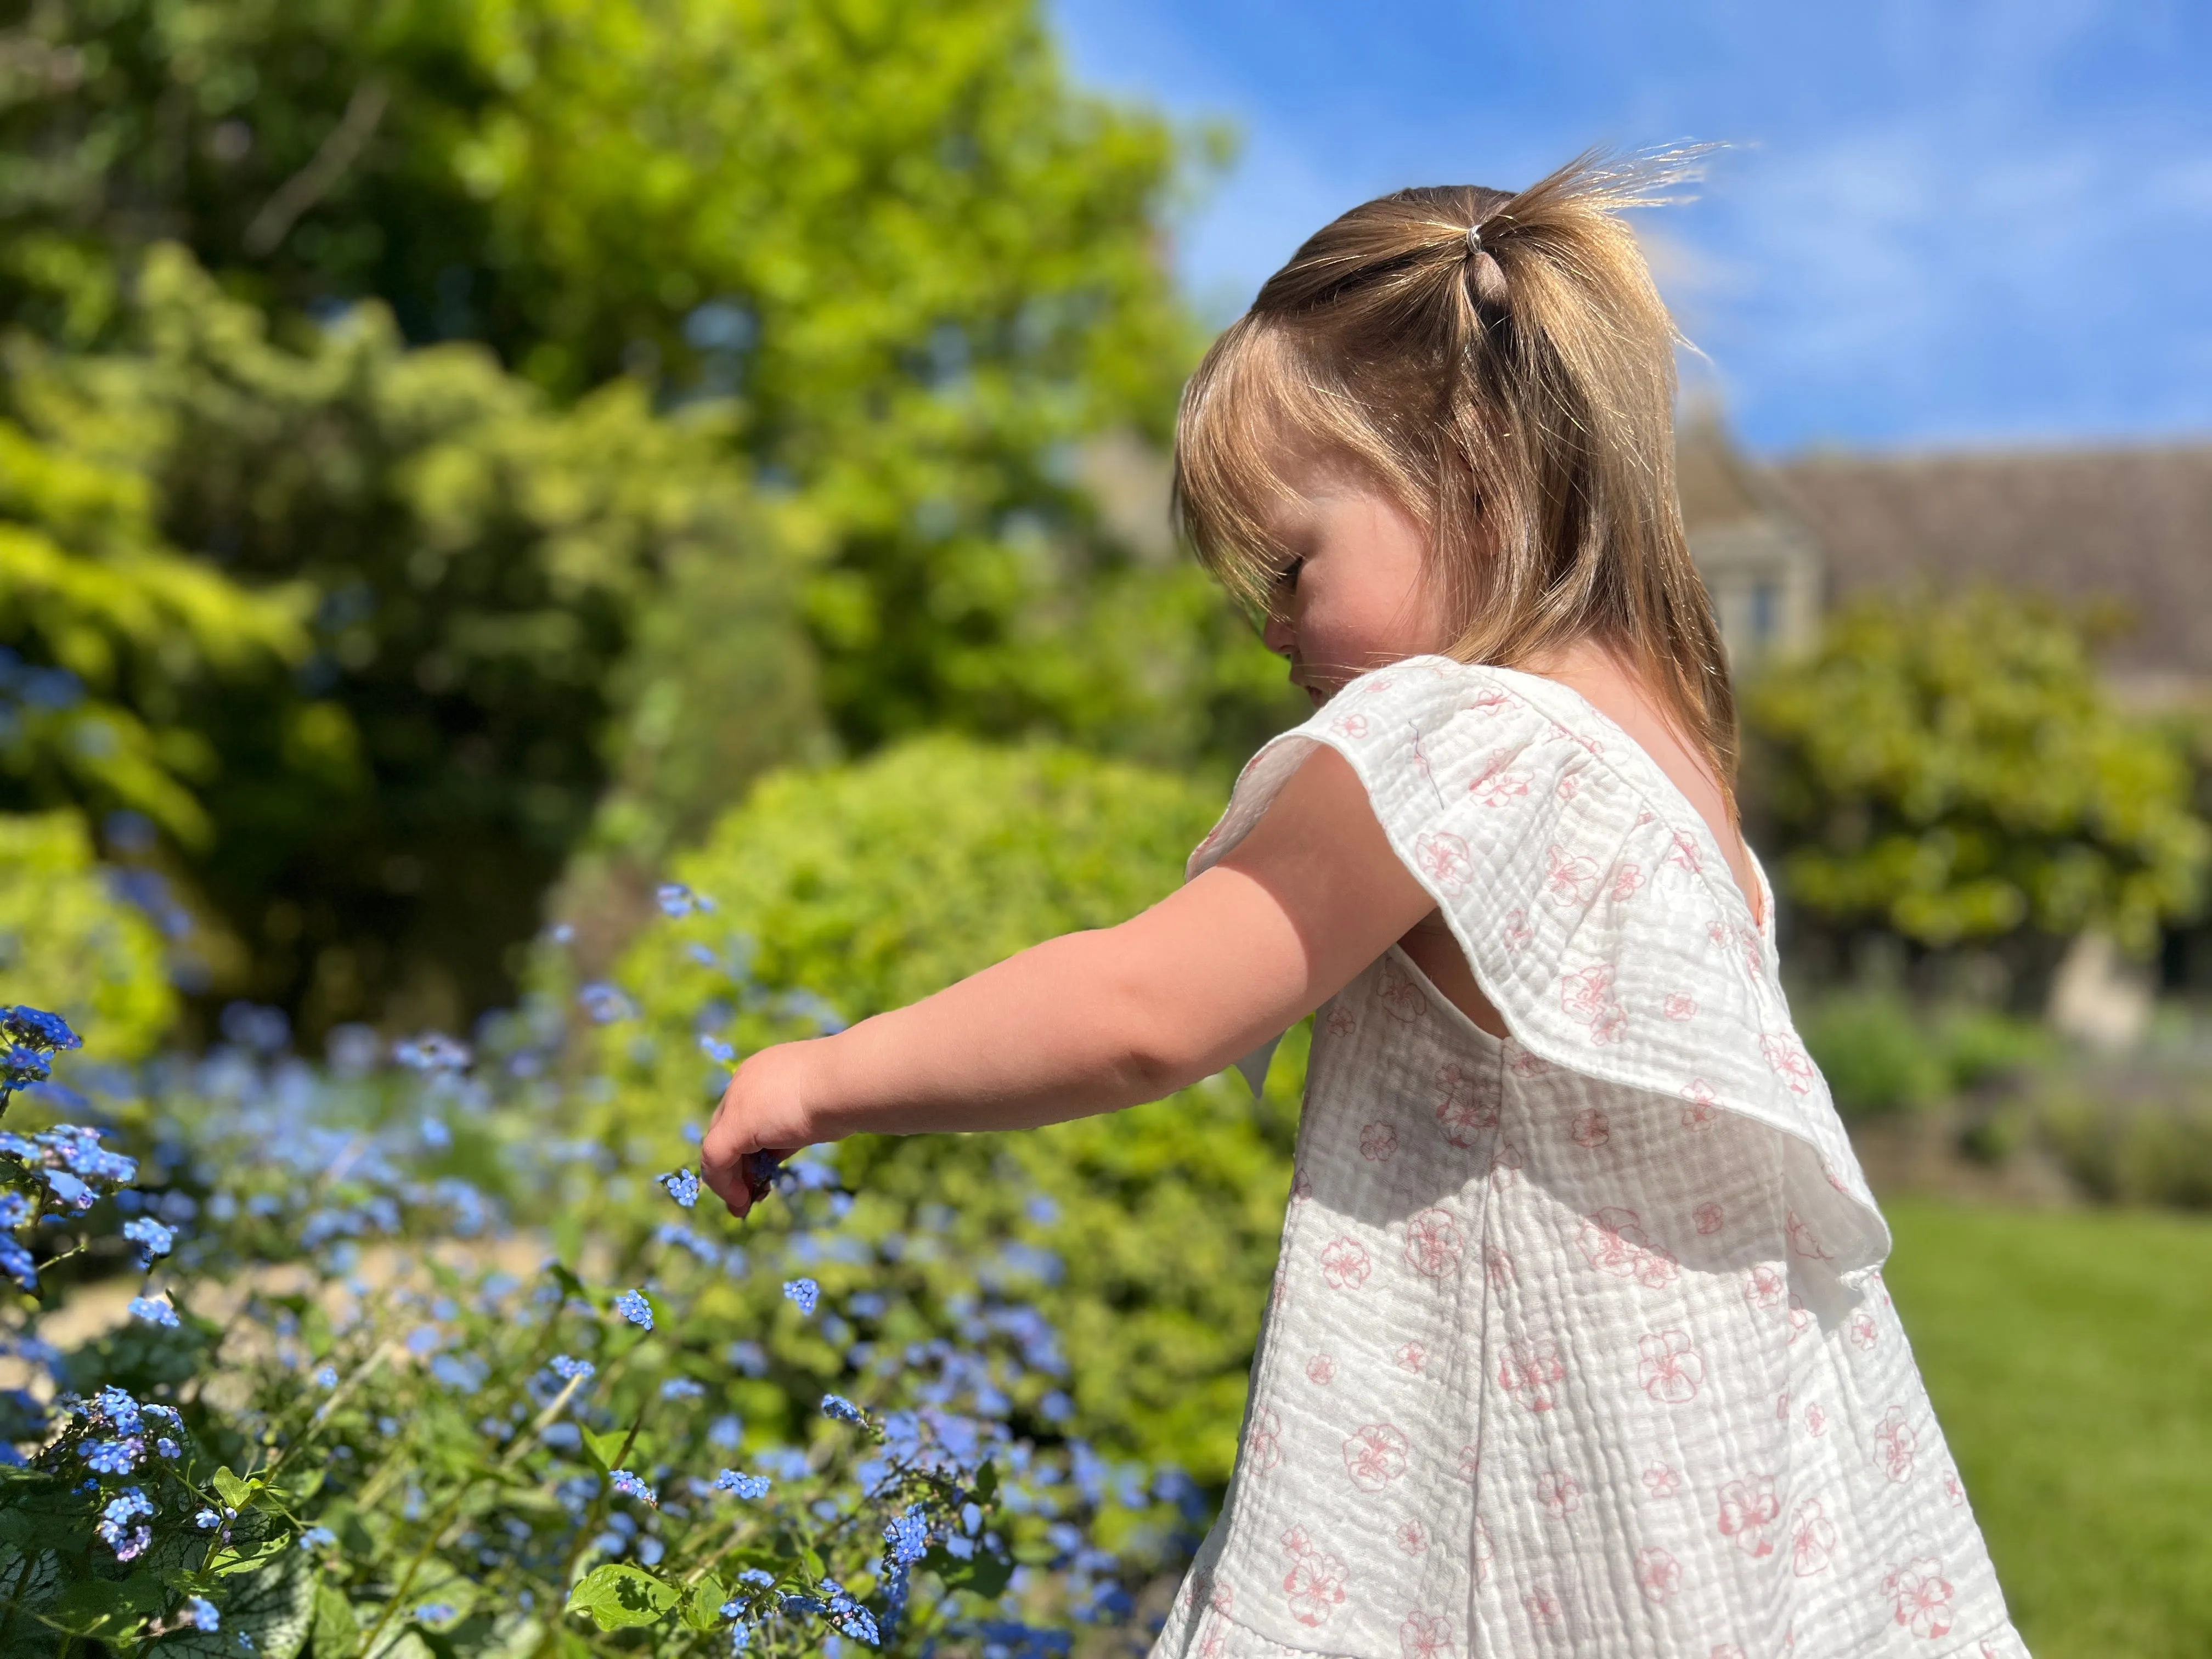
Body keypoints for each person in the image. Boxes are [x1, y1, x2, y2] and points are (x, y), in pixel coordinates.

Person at [702, 152, 2027, 1658]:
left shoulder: (1460, 741)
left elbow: (1146, 1011)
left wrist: (821, 1074)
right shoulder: (1687, 788)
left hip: (1525, 1493)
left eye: (1289, 564)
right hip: (1735, 1493)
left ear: (1462, 464)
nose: (1274, 629)